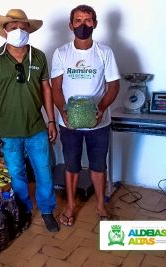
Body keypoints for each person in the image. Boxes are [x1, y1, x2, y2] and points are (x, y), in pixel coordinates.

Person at [0, 9, 59, 232]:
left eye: (23, 27)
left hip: (36, 128)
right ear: (4, 30)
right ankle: (24, 211)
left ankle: (46, 211)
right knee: (17, 175)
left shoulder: (39, 56)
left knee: (44, 172)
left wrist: (51, 121)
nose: (18, 30)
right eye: (13, 27)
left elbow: (46, 89)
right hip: (8, 131)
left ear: (29, 30)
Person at [51, 5, 120, 225]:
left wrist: (101, 109)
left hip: (99, 124)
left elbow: (113, 86)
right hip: (69, 124)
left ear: (95, 24)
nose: (83, 25)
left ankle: (101, 206)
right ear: (71, 25)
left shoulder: (104, 52)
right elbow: (56, 88)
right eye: (78, 20)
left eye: (88, 20)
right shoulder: (62, 52)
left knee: (99, 165)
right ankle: (71, 206)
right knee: (71, 165)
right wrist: (64, 113)